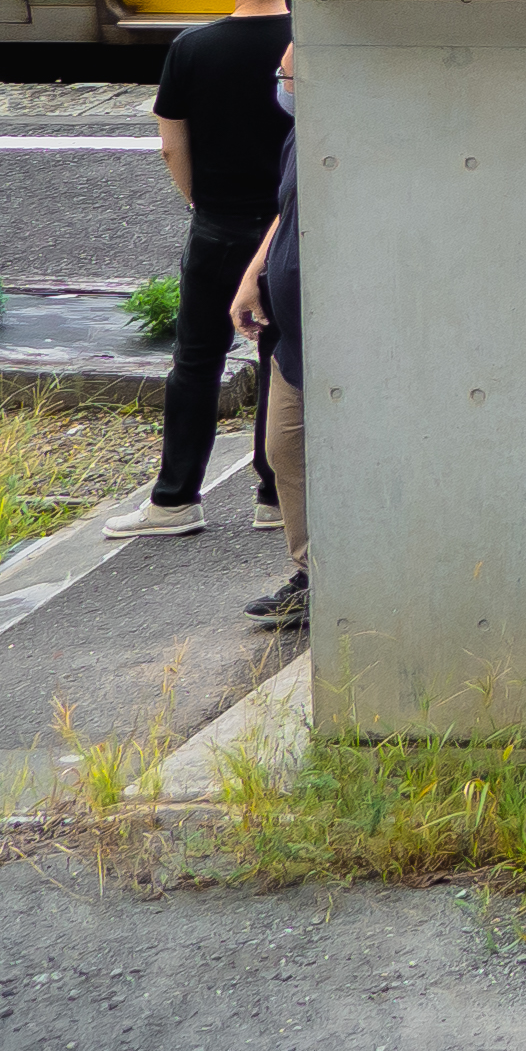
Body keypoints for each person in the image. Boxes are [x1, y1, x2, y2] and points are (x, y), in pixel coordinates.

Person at [103, 0, 284, 539]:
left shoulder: (192, 48)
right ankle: (275, 494)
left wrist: (201, 204)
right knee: (281, 358)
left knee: (197, 361)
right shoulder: (309, 45)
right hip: (288, 231)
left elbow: (170, 146)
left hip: (218, 226)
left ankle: (176, 500)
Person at [228, 41, 304, 626]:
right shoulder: (298, 137)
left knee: (298, 450)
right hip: (292, 339)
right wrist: (255, 276)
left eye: (285, 75)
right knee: (283, 451)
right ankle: (312, 575)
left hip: (329, 337)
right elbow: (284, 211)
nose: (279, 86)